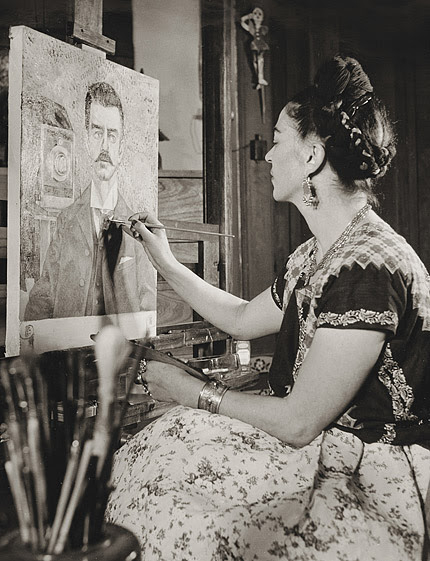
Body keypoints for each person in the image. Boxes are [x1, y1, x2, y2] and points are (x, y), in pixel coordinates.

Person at [105, 56, 430, 560]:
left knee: (175, 498)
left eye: (278, 140)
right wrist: (164, 260)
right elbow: (239, 318)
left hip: (369, 478)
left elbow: (299, 422)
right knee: (160, 454)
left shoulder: (370, 267)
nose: (269, 155)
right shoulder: (316, 255)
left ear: (312, 157)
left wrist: (193, 392)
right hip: (322, 454)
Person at [24, 82, 155, 320]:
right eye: (97, 133)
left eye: (112, 135)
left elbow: (148, 309)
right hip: (68, 344)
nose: (104, 146)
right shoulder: (66, 220)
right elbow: (42, 299)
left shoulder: (138, 228)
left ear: (121, 148)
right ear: (86, 140)